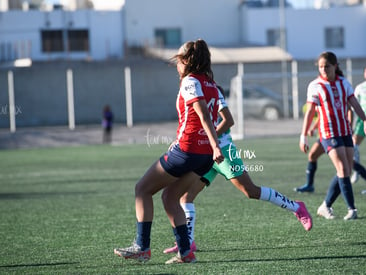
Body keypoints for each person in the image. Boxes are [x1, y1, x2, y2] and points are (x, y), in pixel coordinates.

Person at [163, 86, 312, 254]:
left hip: (225, 152)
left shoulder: (212, 91)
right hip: (206, 153)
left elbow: (228, 121)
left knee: (251, 191)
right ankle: (187, 242)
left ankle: (297, 207)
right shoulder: (194, 92)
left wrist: (210, 139)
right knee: (186, 197)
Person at [114, 39, 224, 264]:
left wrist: (215, 146)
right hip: (203, 157)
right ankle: (186, 252)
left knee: (142, 189)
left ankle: (142, 246)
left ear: (186, 61)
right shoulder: (210, 84)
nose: (176, 65)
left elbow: (202, 114)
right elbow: (198, 118)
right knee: (170, 197)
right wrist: (210, 147)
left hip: (189, 151)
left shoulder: (190, 81)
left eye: (178, 60)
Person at [299, 51, 366, 220]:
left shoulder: (344, 82)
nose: (323, 70)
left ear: (335, 66)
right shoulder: (315, 85)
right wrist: (303, 135)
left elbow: (354, 103)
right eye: (321, 67)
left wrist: (365, 120)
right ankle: (352, 209)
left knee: (347, 169)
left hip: (344, 131)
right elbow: (310, 112)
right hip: (328, 133)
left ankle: (325, 206)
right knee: (343, 169)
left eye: (327, 66)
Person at [294, 105, 324, 193]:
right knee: (312, 156)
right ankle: (309, 185)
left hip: (330, 134)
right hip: (323, 135)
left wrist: (313, 128)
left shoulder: (321, 95)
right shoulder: (306, 105)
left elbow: (323, 115)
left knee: (346, 163)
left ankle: (310, 185)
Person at [350, 68, 366, 194]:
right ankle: (356, 171)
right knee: (354, 145)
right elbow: (353, 104)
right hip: (362, 120)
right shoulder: (360, 87)